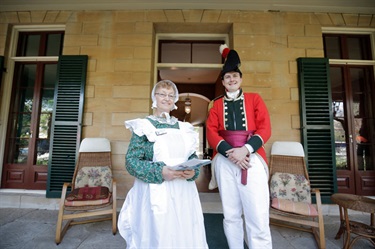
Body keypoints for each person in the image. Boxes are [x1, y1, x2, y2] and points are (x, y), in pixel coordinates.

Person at [118, 80, 208, 249]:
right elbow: (131, 162)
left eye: (171, 95)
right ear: (154, 97)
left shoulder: (185, 128)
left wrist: (193, 172)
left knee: (184, 231)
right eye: (162, 94)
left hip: (183, 191)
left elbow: (191, 156)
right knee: (160, 234)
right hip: (156, 190)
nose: (167, 98)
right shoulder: (143, 126)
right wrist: (161, 172)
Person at [206, 44, 272, 249]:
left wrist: (246, 150)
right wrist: (230, 152)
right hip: (225, 161)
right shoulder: (215, 104)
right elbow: (211, 131)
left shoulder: (255, 99)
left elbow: (265, 128)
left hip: (252, 159)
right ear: (223, 82)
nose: (231, 79)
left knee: (257, 214)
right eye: (227, 77)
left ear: (240, 79)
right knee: (231, 214)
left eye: (235, 75)